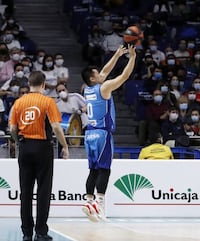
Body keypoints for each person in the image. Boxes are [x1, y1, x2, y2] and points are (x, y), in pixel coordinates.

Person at [9, 71, 69, 241]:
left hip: (25, 147)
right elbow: (57, 127)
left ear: (29, 83)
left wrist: (18, 142)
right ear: (43, 84)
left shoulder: (19, 102)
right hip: (43, 147)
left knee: (25, 192)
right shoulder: (48, 101)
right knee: (43, 190)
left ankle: (26, 232)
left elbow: (12, 129)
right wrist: (64, 146)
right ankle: (41, 232)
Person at [81, 44, 136, 222]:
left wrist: (118, 55)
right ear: (92, 77)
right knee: (105, 169)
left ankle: (89, 202)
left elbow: (104, 71)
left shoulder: (87, 88)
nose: (101, 74)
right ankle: (100, 204)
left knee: (93, 170)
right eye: (97, 73)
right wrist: (132, 58)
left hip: (89, 134)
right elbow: (124, 76)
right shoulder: (103, 88)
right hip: (102, 134)